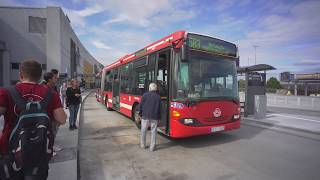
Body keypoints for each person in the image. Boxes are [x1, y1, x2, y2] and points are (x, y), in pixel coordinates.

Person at [0, 60, 67, 179]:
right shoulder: (51, 94)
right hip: (39, 152)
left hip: (12, 153)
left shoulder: (6, 92)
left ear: (20, 75)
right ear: (40, 76)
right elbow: (62, 119)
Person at [138, 83, 161, 152]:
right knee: (153, 131)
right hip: (154, 116)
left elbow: (141, 105)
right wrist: (159, 117)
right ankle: (152, 147)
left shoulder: (145, 95)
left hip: (145, 115)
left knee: (143, 130)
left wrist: (140, 113)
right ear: (156, 89)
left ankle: (143, 145)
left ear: (149, 88)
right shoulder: (158, 97)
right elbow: (160, 109)